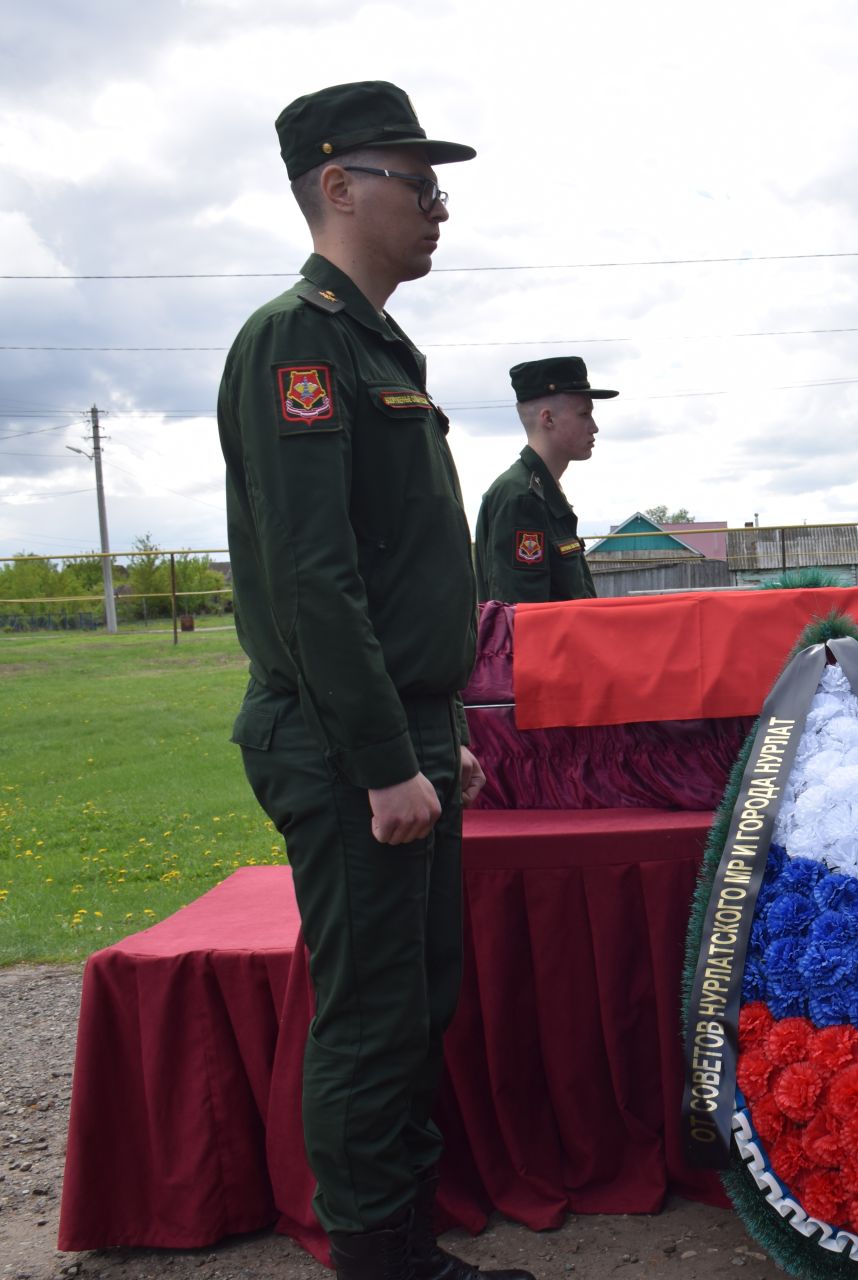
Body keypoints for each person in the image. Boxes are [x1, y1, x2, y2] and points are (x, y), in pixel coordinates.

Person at [216, 81, 531, 1280]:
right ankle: (380, 1259)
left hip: (399, 723)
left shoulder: (371, 342)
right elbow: (313, 582)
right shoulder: (300, 339)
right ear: (339, 186)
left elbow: (389, 571)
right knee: (372, 1010)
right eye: (419, 179)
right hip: (347, 739)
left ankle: (403, 1241)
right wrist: (383, 758)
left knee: (416, 997)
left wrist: (427, 728)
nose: (440, 206)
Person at [473, 357, 616, 602]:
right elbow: (525, 618)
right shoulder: (522, 497)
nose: (594, 427)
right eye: (584, 414)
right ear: (548, 419)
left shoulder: (542, 491)